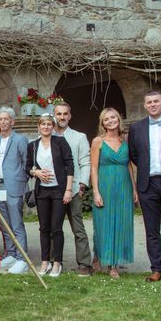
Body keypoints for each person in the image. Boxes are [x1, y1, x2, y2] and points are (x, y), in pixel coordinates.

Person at [26, 115, 74, 278]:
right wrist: (36, 172)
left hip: (58, 190)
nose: (46, 127)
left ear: (53, 127)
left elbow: (69, 165)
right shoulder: (33, 146)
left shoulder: (60, 142)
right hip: (42, 191)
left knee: (56, 228)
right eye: (43, 124)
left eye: (49, 124)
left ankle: (57, 262)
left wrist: (68, 190)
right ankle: (45, 261)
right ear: (38, 127)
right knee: (43, 228)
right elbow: (27, 166)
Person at [91, 108, 136, 278]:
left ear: (118, 119)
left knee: (121, 222)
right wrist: (96, 192)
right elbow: (94, 168)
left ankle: (114, 262)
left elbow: (129, 166)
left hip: (124, 186)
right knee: (104, 223)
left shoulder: (125, 140)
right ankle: (102, 258)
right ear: (103, 123)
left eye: (113, 117)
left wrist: (134, 189)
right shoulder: (98, 141)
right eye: (106, 119)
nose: (110, 121)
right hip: (105, 185)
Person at [129, 90, 161, 282]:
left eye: (156, 101)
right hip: (148, 183)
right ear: (145, 105)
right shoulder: (137, 128)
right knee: (152, 230)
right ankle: (157, 269)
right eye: (149, 102)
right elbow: (134, 155)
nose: (152, 104)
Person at [53, 102, 93, 276]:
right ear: (54, 115)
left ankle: (85, 264)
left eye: (65, 114)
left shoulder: (79, 137)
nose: (62, 117)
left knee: (78, 228)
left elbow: (85, 163)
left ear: (70, 116)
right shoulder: (49, 136)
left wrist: (83, 184)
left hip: (74, 188)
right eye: (59, 114)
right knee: (54, 228)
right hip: (53, 190)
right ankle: (55, 263)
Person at [0, 107, 30, 274]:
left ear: (12, 121)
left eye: (6, 119)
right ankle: (12, 254)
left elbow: (25, 163)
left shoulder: (20, 139)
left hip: (13, 186)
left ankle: (23, 259)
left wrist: (20, 183)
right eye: (0, 119)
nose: (3, 122)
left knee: (16, 224)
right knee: (4, 224)